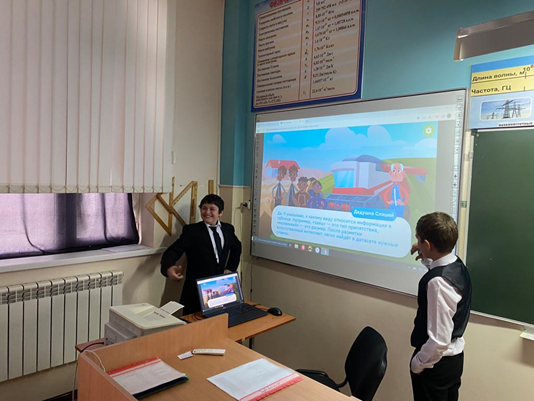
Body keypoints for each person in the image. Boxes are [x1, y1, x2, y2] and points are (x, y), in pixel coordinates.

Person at [409, 212, 472, 401]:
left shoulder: (437, 283)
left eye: (418, 240)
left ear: (428, 244)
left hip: (435, 365)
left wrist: (418, 363)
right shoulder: (456, 263)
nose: (417, 243)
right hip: (452, 360)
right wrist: (425, 256)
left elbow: (439, 340)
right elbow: (438, 267)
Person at [160, 194, 242, 315]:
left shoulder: (228, 229)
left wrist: (230, 268)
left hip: (221, 288)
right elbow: (174, 250)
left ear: (220, 212)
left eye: (212, 209)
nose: (207, 212)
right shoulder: (192, 231)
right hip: (196, 291)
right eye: (204, 208)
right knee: (194, 323)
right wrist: (168, 267)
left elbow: (237, 247)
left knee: (221, 320)